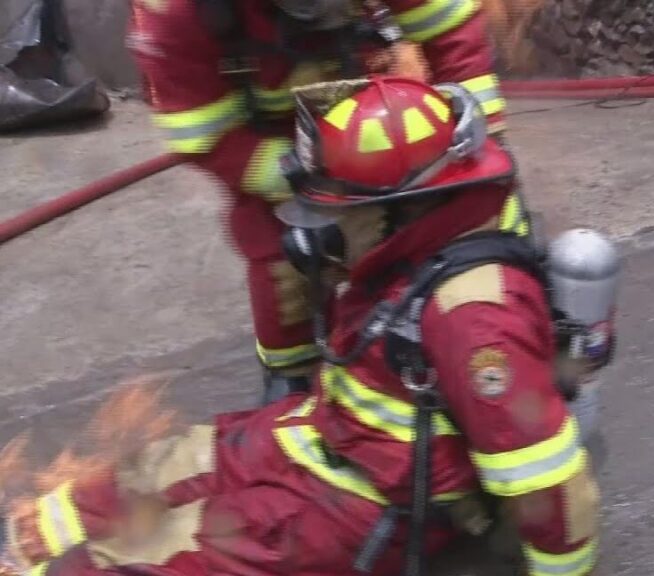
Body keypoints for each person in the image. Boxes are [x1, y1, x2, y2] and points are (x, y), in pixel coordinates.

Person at [4, 77, 602, 576]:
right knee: (145, 473)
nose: (317, 232)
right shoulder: (417, 252)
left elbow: (548, 480)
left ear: (406, 207)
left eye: (341, 214)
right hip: (325, 436)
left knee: (145, 555)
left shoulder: (475, 319)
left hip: (366, 503)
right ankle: (23, 546)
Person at [127, 0, 509, 403]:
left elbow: (447, 28)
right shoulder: (174, 13)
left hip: (380, 109)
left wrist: (474, 116)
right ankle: (292, 378)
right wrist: (310, 181)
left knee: (478, 213)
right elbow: (206, 136)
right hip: (276, 144)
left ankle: (496, 328)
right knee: (285, 260)